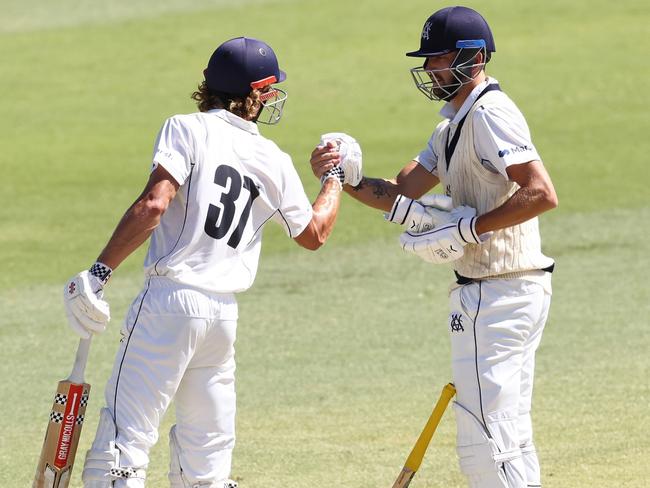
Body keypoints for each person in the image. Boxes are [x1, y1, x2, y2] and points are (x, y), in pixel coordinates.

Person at [63, 36, 360, 488]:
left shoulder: (185, 128)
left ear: (208, 85)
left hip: (169, 304)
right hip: (221, 318)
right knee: (207, 464)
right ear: (255, 93)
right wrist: (333, 178)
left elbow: (154, 205)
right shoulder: (272, 159)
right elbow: (315, 234)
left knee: (122, 451)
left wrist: (98, 273)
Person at [310, 6, 557, 488]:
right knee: (504, 432)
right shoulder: (452, 126)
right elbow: (401, 192)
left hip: (502, 292)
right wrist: (342, 176)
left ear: (473, 57)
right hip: (490, 291)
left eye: (437, 58)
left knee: (487, 439)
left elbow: (541, 193)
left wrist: (470, 229)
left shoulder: (490, 114)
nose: (428, 69)